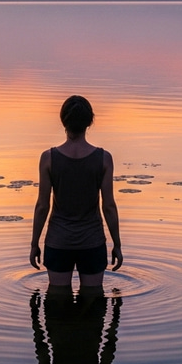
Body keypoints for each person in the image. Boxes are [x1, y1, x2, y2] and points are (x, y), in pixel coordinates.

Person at [30, 95, 122, 286]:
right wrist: (117, 245)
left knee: (56, 305)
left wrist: (34, 244)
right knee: (94, 303)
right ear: (89, 122)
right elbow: (109, 207)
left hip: (58, 242)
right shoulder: (104, 159)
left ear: (63, 120)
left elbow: (42, 207)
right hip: (92, 242)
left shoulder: (48, 158)